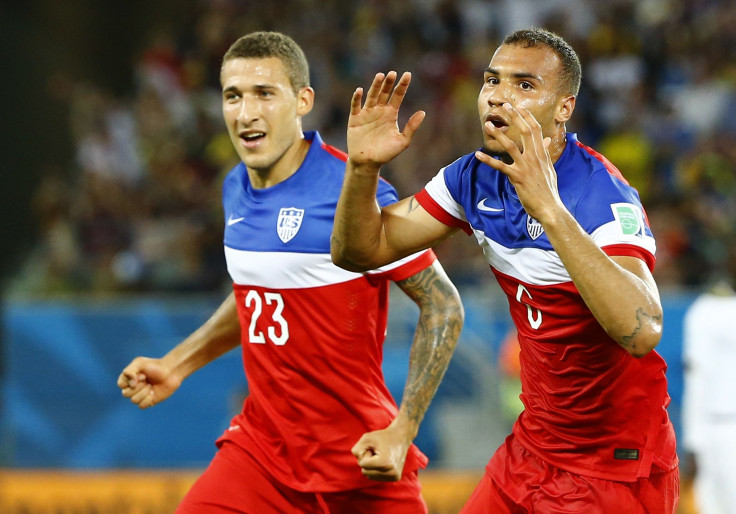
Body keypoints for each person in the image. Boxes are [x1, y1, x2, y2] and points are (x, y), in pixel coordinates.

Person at [331, 28, 679, 513]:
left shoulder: (602, 195)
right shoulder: (473, 178)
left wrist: (551, 213)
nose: (498, 96)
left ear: (564, 108)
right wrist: (362, 170)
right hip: (532, 451)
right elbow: (361, 251)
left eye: (524, 85)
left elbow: (643, 330)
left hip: (612, 468)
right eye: (492, 80)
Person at [117, 31, 464, 514]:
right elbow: (257, 296)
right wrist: (177, 362)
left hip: (358, 461)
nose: (246, 112)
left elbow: (442, 302)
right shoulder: (235, 186)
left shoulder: (353, 192)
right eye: (233, 96)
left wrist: (403, 429)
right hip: (260, 454)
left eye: (264, 93)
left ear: (303, 101)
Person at [682, 266, 736, 514]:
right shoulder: (704, 312)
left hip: (720, 426)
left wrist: (693, 441)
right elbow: (697, 376)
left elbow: (697, 376)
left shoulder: (702, 312)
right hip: (718, 424)